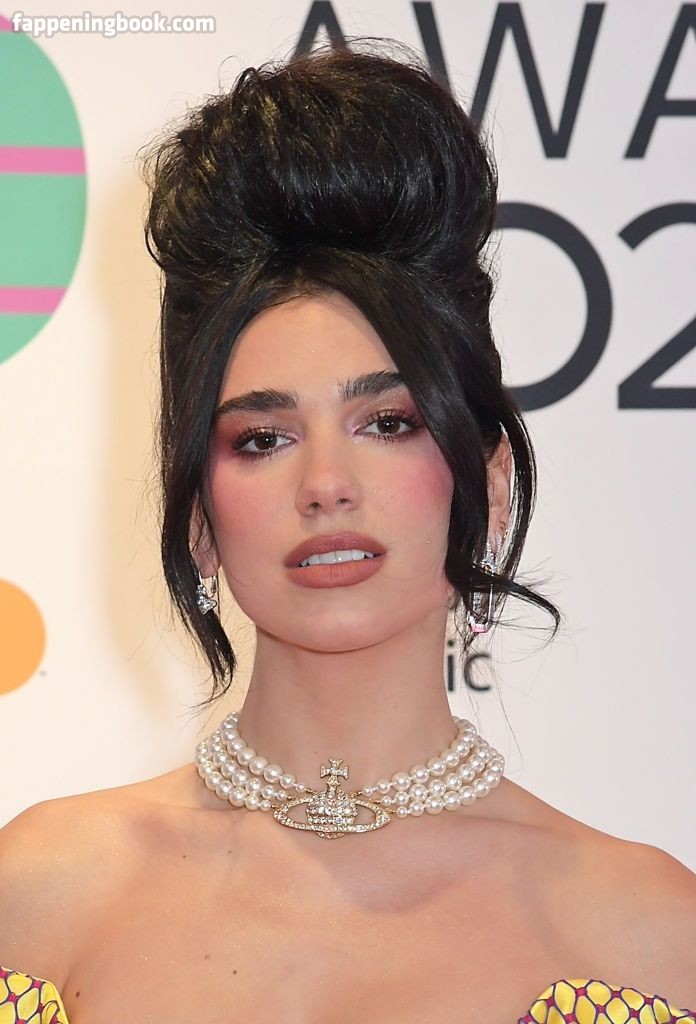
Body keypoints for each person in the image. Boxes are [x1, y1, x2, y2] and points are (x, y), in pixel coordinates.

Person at [1, 40, 694, 1024]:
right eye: (263, 438)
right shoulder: (39, 898)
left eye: (387, 423)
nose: (326, 485)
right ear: (199, 515)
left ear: (487, 481)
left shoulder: (645, 937)